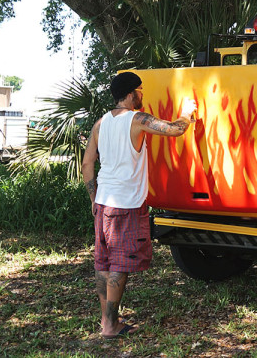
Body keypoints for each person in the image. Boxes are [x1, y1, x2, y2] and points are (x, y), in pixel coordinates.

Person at [81, 71, 196, 339]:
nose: (142, 94)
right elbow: (175, 129)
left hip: (103, 202)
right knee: (119, 264)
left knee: (104, 262)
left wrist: (92, 199)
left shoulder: (100, 124)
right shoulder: (137, 119)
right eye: (140, 90)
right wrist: (187, 112)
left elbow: (87, 164)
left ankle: (108, 320)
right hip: (126, 205)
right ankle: (110, 326)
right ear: (132, 93)